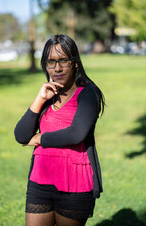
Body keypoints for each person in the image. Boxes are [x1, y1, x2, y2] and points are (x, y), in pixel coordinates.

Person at [14, 34, 105, 226]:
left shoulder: (88, 93)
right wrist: (40, 98)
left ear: (75, 63)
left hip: (75, 183)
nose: (57, 68)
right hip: (39, 181)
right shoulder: (49, 94)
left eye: (63, 60)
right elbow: (21, 136)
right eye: (51, 62)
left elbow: (76, 133)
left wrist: (40, 139)